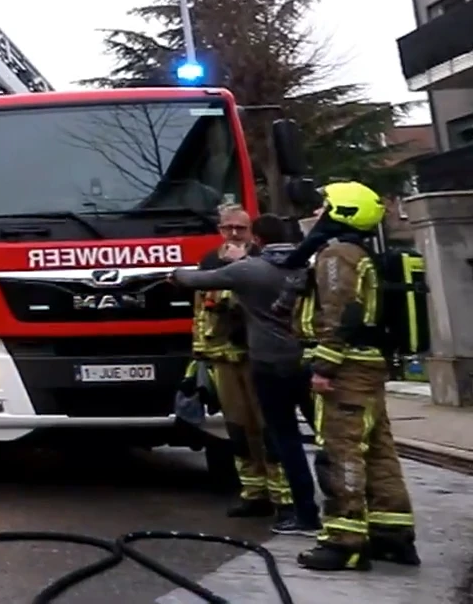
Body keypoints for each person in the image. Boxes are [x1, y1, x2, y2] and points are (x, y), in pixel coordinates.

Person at [289, 182, 420, 572]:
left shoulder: (336, 256)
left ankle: (344, 542)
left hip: (345, 369)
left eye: (324, 206)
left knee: (341, 452)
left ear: (341, 213)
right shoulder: (361, 252)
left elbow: (338, 312)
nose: (317, 212)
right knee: (379, 451)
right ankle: (393, 535)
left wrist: (324, 367)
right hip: (368, 366)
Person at [172, 205, 300, 526]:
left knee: (268, 428)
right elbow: (202, 312)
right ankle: (253, 493)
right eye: (227, 227)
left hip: (257, 357)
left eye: (240, 228)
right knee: (239, 430)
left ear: (252, 233)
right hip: (223, 359)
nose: (232, 233)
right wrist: (201, 353)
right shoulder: (210, 262)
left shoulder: (261, 263)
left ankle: (283, 498)